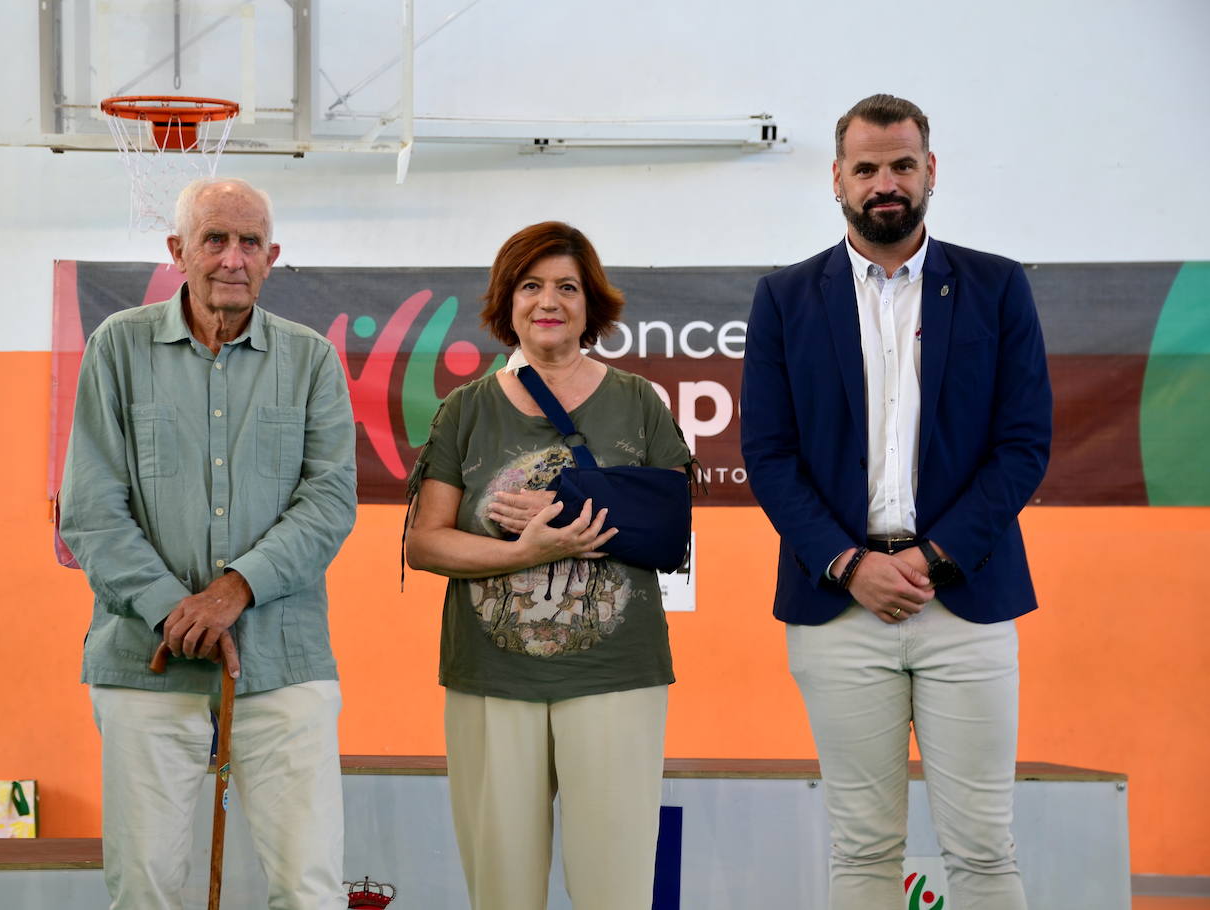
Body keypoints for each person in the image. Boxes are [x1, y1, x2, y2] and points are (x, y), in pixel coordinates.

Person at [740, 94, 1051, 909]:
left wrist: (933, 559)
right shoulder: (784, 298)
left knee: (984, 849)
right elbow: (768, 455)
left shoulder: (996, 286)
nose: (886, 182)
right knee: (862, 849)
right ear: (837, 177)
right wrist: (849, 565)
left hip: (968, 600)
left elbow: (1023, 446)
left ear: (930, 170)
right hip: (838, 608)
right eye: (868, 167)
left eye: (903, 165)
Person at [59, 177, 357, 910]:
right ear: (178, 250)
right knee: (145, 889)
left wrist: (233, 592)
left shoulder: (312, 359)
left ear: (271, 257)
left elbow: (329, 503)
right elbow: (91, 510)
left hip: (283, 660)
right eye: (214, 239)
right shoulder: (118, 346)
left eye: (250, 242)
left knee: (311, 888)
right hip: (146, 660)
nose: (232, 258)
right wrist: (175, 610)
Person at [404, 221, 692, 909]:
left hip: (616, 674)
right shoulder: (464, 410)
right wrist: (523, 553)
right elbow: (425, 543)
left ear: (591, 304)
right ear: (508, 302)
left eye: (567, 286)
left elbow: (670, 530)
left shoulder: (638, 401)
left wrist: (571, 516)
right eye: (530, 286)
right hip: (491, 677)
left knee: (616, 889)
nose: (548, 301)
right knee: (501, 887)